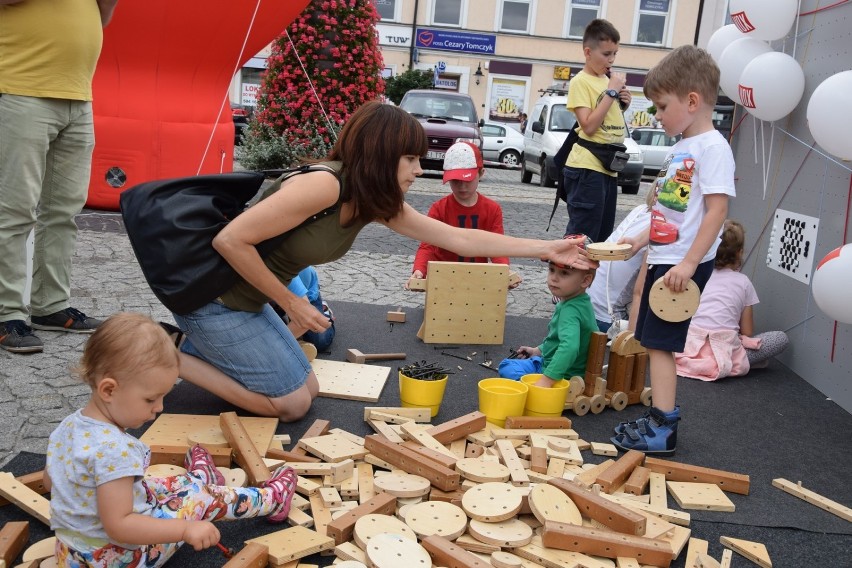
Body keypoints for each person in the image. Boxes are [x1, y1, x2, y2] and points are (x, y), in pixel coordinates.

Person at [170, 101, 595, 423]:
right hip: (212, 298)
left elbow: (456, 236)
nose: (418, 169)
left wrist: (545, 248)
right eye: (409, 159)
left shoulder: (376, 201)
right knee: (293, 403)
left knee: (310, 383)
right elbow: (230, 240)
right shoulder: (323, 185)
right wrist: (293, 302)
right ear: (379, 154)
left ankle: (201, 350)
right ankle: (172, 355)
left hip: (247, 303)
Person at [45, 313, 297, 566]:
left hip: (72, 555)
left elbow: (51, 481)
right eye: (150, 399)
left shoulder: (68, 428)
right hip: (119, 557)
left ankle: (197, 479)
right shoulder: (114, 450)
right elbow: (120, 527)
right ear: (109, 389)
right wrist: (185, 530)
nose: (160, 407)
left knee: (163, 483)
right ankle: (271, 501)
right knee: (200, 497)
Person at [610, 45, 735, 456]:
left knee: (661, 344)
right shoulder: (683, 148)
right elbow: (671, 212)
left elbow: (717, 211)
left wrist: (688, 262)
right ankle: (659, 417)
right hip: (666, 259)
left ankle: (664, 426)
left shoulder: (712, 148)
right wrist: (641, 241)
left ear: (692, 101)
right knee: (650, 338)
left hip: (682, 265)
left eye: (662, 107)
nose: (657, 116)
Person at [0, 0, 119, 353]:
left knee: (64, 212)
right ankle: (6, 314)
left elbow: (103, 17)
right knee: (13, 210)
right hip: (19, 88)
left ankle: (50, 305)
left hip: (77, 94)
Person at [675, 220, 789, 380]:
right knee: (779, 338)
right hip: (725, 351)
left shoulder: (695, 275)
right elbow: (747, 331)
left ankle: (700, 363)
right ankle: (724, 363)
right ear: (739, 253)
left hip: (687, 347)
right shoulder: (744, 282)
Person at [405, 141, 519, 289]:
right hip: (443, 279)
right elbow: (427, 245)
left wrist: (504, 271)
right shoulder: (439, 208)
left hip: (478, 280)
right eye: (455, 181)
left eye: (467, 179)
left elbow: (497, 246)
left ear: (481, 173)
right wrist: (419, 270)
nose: (462, 186)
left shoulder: (492, 209)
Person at [562, 18, 632, 243]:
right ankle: (567, 277)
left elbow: (608, 122)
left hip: (608, 168)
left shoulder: (607, 81)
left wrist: (623, 103)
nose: (611, 60)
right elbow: (589, 126)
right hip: (587, 168)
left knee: (602, 239)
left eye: (615, 54)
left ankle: (590, 280)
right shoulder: (580, 82)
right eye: (606, 54)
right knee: (583, 239)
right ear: (588, 52)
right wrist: (611, 94)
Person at [497, 260, 597, 388]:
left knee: (507, 366)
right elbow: (556, 341)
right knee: (512, 365)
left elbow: (570, 347)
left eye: (564, 273)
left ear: (585, 280)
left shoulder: (570, 310)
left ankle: (532, 390)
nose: (554, 278)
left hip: (562, 374)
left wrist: (547, 379)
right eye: (551, 270)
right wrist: (537, 350)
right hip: (557, 366)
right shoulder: (580, 302)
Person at [587, 205, 650, 334]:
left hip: (585, 306)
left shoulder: (641, 210)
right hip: (607, 319)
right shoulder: (664, 226)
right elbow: (640, 294)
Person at [273, 266, 335, 352]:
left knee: (319, 341)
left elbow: (306, 316)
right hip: (271, 299)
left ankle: (325, 312)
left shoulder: (284, 273)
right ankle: (279, 314)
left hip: (304, 296)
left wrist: (274, 345)